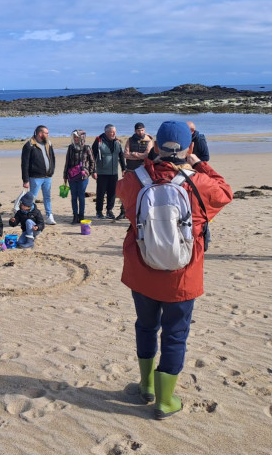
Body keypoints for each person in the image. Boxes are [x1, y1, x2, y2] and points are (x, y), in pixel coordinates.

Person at [116, 121, 233, 419]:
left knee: (145, 326)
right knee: (175, 334)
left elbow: (122, 193)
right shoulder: (198, 183)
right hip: (182, 274)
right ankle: (165, 401)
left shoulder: (135, 180)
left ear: (155, 145)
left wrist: (146, 163)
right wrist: (200, 164)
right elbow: (225, 193)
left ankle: (146, 386)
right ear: (189, 148)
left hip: (141, 269)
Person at [21, 125, 56, 225]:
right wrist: (25, 180)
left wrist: (52, 170)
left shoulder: (48, 143)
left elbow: (52, 158)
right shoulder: (29, 145)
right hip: (35, 177)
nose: (48, 135)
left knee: (47, 197)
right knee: (32, 198)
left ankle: (49, 216)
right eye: (46, 133)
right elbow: (25, 164)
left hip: (47, 176)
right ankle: (29, 216)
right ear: (40, 133)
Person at [92, 124, 126, 219]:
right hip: (101, 173)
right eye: (111, 132)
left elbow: (121, 156)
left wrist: (123, 168)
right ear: (106, 132)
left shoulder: (117, 142)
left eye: (114, 132)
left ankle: (109, 211)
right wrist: (93, 171)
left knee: (112, 193)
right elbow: (92, 157)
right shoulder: (98, 141)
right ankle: (99, 212)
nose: (113, 133)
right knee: (101, 193)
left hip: (113, 172)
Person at [62, 129, 95, 224]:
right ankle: (75, 216)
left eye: (77, 137)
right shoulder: (70, 147)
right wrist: (65, 176)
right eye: (74, 137)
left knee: (81, 197)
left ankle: (81, 216)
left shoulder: (87, 148)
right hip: (72, 176)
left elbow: (92, 161)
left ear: (82, 137)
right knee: (73, 197)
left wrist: (89, 172)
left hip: (83, 177)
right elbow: (67, 162)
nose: (76, 139)